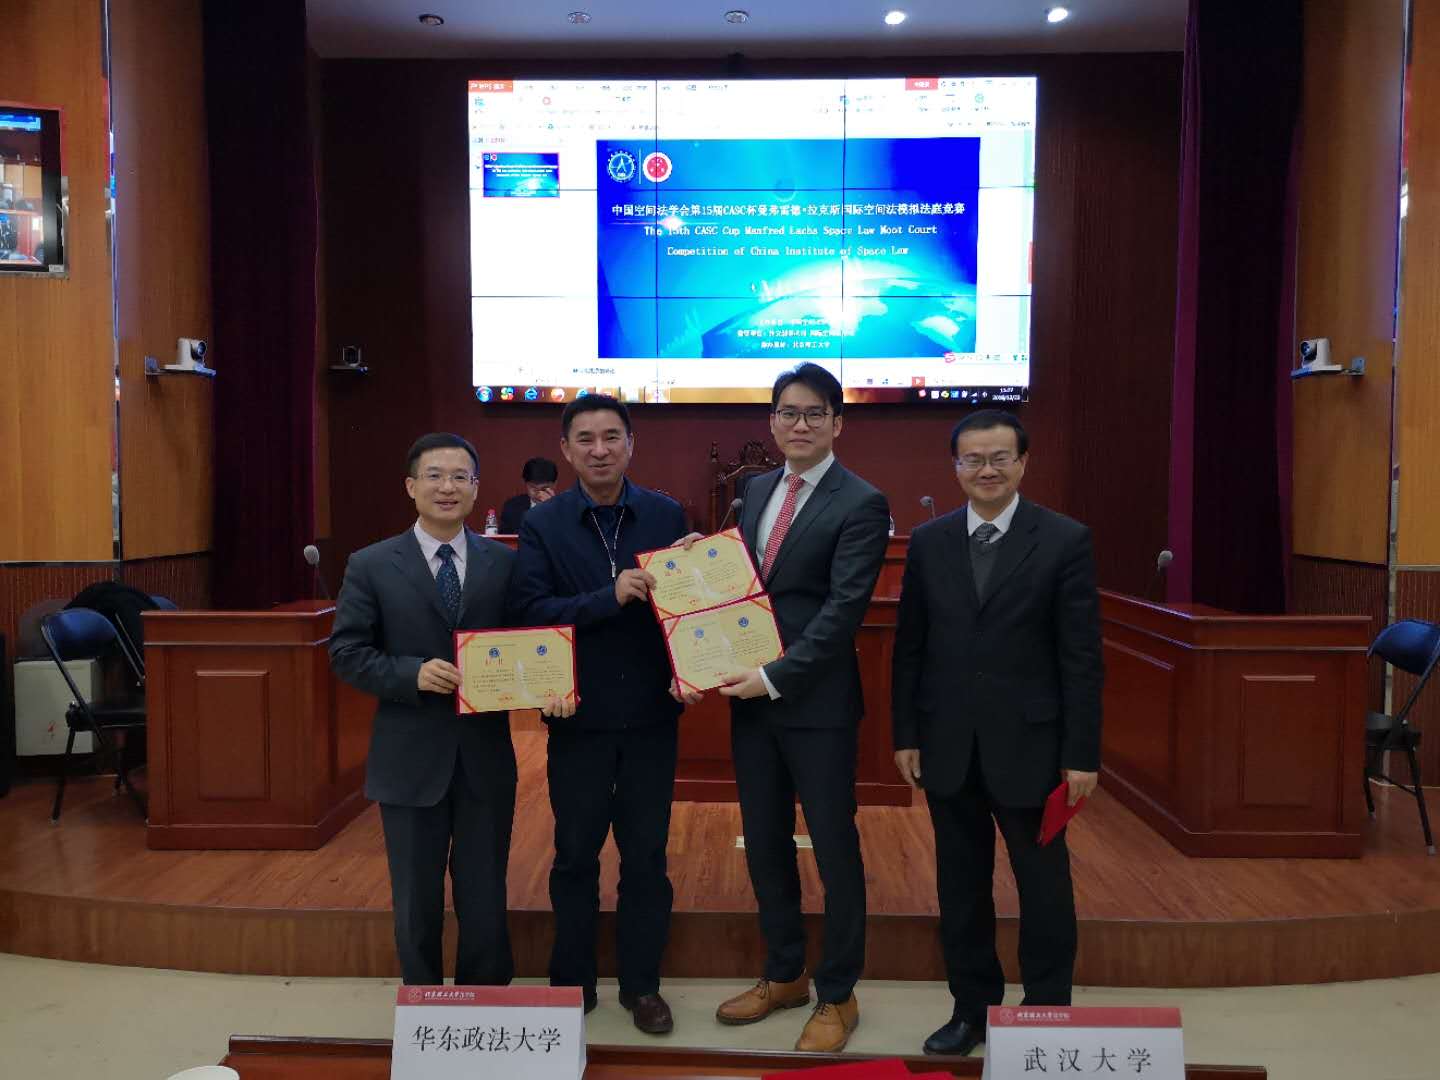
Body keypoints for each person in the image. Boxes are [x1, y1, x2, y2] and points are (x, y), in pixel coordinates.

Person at [891, 410, 1103, 1056]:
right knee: (960, 888)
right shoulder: (929, 542)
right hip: (948, 743)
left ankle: (1046, 1013)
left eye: (1000, 458)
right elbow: (911, 648)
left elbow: (1081, 657)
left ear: (1022, 462)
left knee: (1044, 889)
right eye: (974, 459)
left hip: (1033, 747)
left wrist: (1081, 753)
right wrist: (906, 734)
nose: (987, 470)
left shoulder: (1064, 539)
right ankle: (971, 1010)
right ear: (956, 467)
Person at [329, 433, 566, 987]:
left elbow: (528, 642)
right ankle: (422, 1004)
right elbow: (346, 653)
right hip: (408, 758)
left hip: (484, 755)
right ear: (411, 486)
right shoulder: (371, 564)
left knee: (485, 891)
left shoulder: (503, 563)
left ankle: (485, 1000)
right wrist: (409, 674)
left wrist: (551, 683)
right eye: (434, 475)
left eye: (461, 476)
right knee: (415, 897)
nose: (447, 487)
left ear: (476, 488)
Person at [709, 363, 890, 1053]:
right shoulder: (756, 489)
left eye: (816, 413)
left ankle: (838, 993)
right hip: (752, 706)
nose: (801, 424)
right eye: (789, 412)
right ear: (772, 421)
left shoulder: (862, 502)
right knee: (765, 841)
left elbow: (842, 613)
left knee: (834, 848)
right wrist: (703, 562)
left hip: (817, 706)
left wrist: (774, 677)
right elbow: (747, 585)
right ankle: (784, 973)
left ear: (838, 423)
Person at [507, 394, 690, 1035]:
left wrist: (692, 664)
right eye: (585, 439)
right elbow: (531, 610)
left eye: (612, 436)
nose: (600, 449)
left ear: (631, 443)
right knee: (574, 856)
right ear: (566, 449)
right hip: (577, 717)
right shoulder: (544, 524)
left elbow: (685, 613)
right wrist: (607, 597)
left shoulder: (666, 514)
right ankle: (572, 984)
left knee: (646, 859)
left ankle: (643, 987)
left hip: (651, 716)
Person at [499, 456, 559, 534]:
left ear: (555, 484)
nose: (539, 494)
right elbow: (505, 538)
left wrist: (552, 511)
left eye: (544, 489)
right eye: (533, 488)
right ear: (525, 483)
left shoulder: (565, 509)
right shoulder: (512, 507)